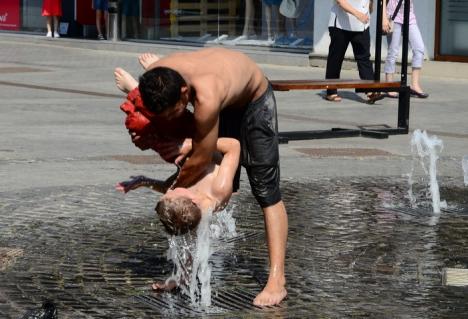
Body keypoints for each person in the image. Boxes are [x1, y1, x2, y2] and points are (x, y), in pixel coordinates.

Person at [124, 48, 288, 307]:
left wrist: (185, 153)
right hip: (218, 97)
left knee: (266, 191)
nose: (171, 118)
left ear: (183, 94)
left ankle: (277, 279)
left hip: (252, 100)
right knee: (192, 186)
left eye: (173, 111)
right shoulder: (158, 78)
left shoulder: (206, 95)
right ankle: (185, 276)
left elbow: (201, 158)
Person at [116, 136, 240, 291]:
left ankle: (182, 278)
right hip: (214, 132)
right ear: (190, 198)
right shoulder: (218, 190)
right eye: (172, 193)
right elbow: (234, 146)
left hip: (196, 146)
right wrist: (195, 143)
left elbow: (168, 190)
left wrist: (144, 181)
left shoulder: (188, 208)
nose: (170, 190)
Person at [325, 0, 382, 103]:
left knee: (364, 58)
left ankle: (370, 90)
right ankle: (331, 91)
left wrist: (370, 5)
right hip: (340, 24)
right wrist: (358, 14)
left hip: (362, 24)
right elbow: (340, 1)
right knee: (336, 59)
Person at [383, 0, 428, 98]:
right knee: (393, 51)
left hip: (409, 15)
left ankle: (414, 85)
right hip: (393, 15)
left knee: (419, 48)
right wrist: (384, 18)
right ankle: (389, 85)